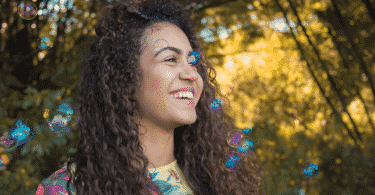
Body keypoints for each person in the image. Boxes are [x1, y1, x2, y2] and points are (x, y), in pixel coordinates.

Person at [35, 0, 264, 194]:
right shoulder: (66, 189)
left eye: (193, 61)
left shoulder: (218, 181)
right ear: (125, 79)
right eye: (171, 59)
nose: (192, 74)